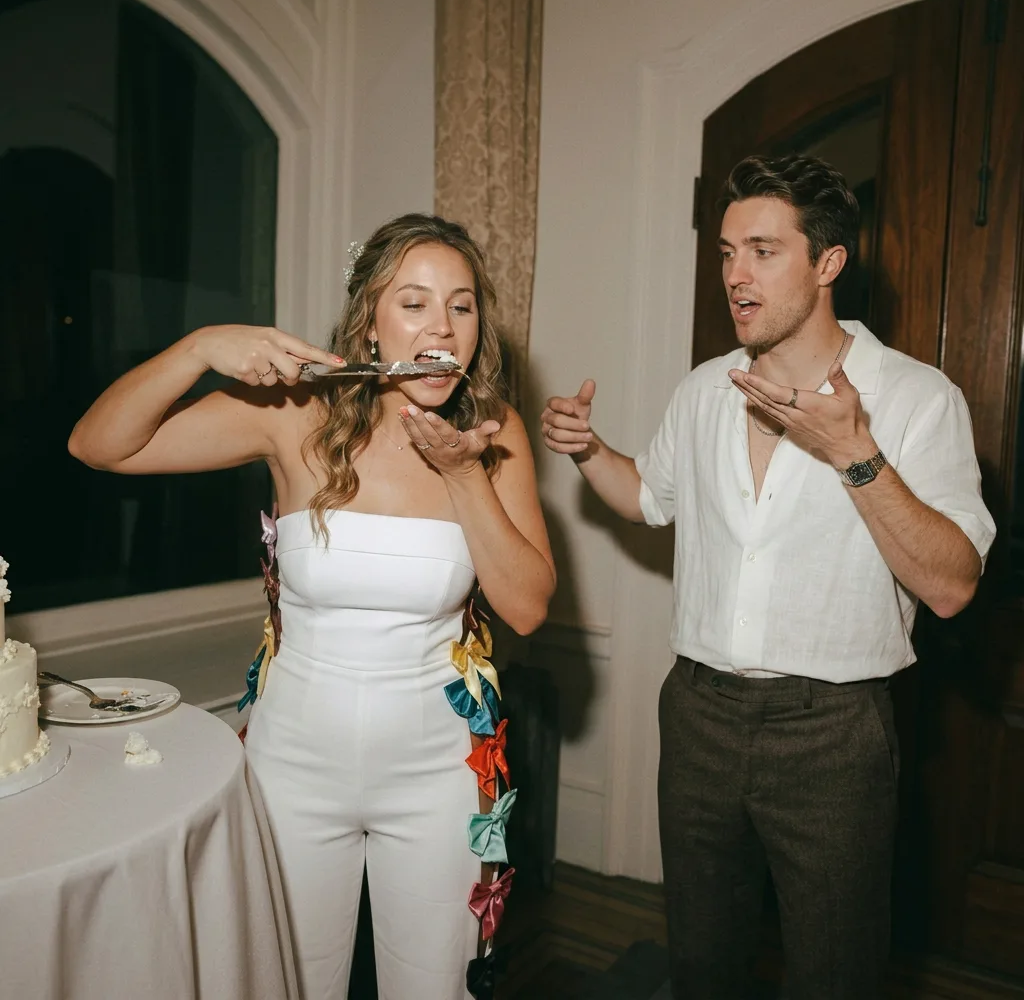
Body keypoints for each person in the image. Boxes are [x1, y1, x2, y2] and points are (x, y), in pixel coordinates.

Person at [540, 155, 995, 1000]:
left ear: (828, 263)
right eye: (724, 253)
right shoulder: (705, 388)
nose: (734, 277)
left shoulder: (918, 399)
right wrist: (589, 452)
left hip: (833, 733)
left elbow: (951, 586)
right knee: (703, 962)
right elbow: (647, 497)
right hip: (700, 714)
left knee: (834, 972)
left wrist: (855, 455)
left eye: (760, 251)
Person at [69, 214, 555, 1000]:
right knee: (285, 984)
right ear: (370, 322)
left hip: (437, 772)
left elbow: (528, 608)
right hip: (290, 766)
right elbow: (100, 444)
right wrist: (199, 347)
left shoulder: (493, 435)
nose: (442, 326)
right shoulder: (296, 415)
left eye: (461, 306)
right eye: (415, 302)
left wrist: (467, 478)